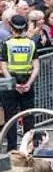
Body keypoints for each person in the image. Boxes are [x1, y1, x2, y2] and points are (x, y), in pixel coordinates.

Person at [0, 15, 40, 151]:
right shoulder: (31, 43)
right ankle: (29, 148)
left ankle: (12, 149)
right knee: (28, 117)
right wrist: (28, 83)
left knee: (10, 118)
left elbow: (4, 67)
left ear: (11, 27)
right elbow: (36, 67)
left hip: (11, 84)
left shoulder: (7, 43)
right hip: (27, 82)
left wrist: (13, 83)